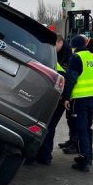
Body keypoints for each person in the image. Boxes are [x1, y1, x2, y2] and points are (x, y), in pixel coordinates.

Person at [62, 35, 93, 172]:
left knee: (81, 129)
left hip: (80, 98)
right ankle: (89, 155)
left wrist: (66, 97)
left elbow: (71, 79)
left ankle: (84, 159)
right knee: (87, 128)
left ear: (74, 46)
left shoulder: (76, 58)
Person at [26, 37, 70, 165]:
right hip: (59, 101)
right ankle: (45, 156)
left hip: (48, 100)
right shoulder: (60, 63)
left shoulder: (45, 62)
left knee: (39, 128)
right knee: (50, 128)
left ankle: (33, 156)